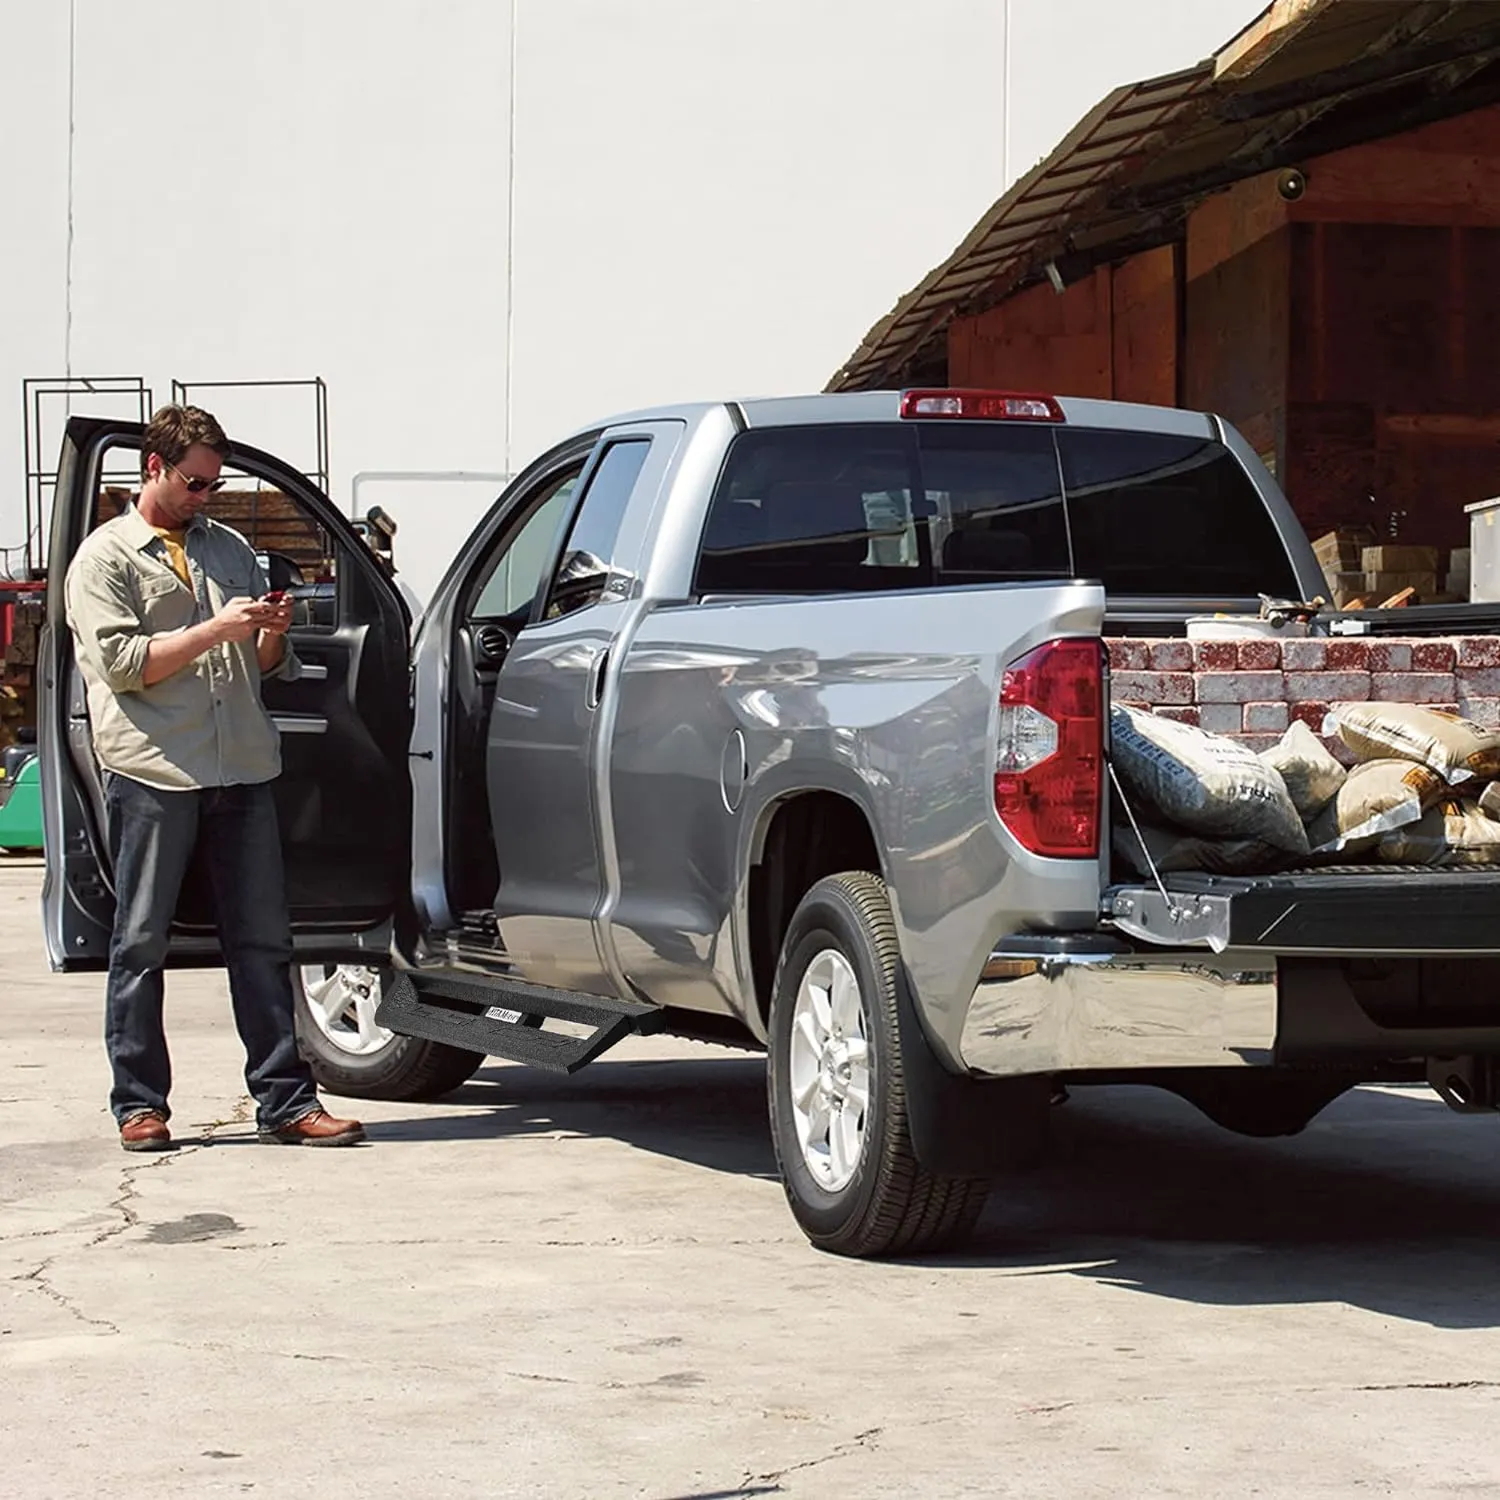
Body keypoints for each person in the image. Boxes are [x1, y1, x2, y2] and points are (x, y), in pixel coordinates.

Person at [64, 404, 364, 1151]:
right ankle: (139, 1103)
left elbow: (266, 669)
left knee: (264, 941)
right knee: (140, 944)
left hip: (241, 766)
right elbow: (125, 667)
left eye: (215, 486)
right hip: (156, 771)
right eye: (195, 484)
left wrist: (268, 634)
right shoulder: (103, 560)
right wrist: (212, 631)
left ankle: (287, 1103)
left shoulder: (227, 547)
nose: (207, 498)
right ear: (154, 469)